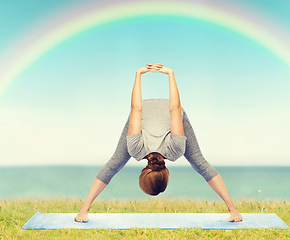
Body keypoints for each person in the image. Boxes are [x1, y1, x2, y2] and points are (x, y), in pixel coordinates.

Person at [75, 64, 242, 223]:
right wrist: (147, 74)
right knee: (115, 164)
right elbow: (161, 109)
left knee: (200, 163)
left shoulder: (165, 149)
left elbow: (147, 109)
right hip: (148, 113)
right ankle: (232, 208)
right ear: (143, 171)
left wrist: (165, 74)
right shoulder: (142, 149)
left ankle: (233, 209)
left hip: (145, 113)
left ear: (167, 174)